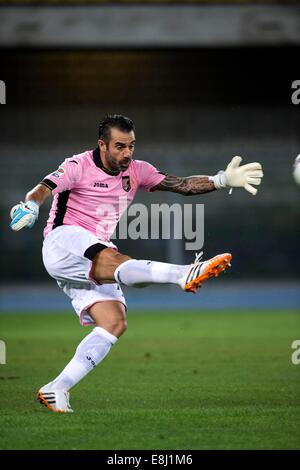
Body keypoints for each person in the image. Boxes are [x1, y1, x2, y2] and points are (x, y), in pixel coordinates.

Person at [9, 114, 263, 413]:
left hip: (92, 254)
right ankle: (183, 274)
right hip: (64, 241)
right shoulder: (78, 165)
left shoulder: (137, 170)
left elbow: (181, 185)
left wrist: (221, 180)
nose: (127, 153)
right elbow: (44, 186)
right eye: (119, 146)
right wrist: (29, 204)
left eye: (131, 146)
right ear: (102, 144)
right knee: (117, 261)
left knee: (114, 322)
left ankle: (57, 388)